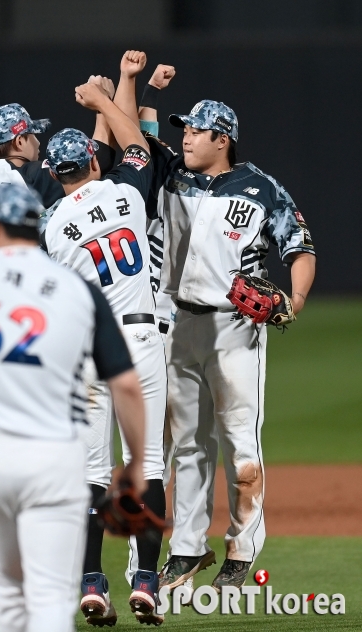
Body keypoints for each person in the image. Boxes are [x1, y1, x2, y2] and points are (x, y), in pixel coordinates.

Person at [0, 183, 147, 632]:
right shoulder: (75, 288)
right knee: (47, 593)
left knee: (11, 595)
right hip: (53, 455)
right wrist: (135, 464)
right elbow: (127, 386)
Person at [138, 95, 316, 593]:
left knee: (241, 450)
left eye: (196, 131)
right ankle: (187, 549)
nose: (186, 138)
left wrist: (294, 300)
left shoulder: (260, 188)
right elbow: (135, 138)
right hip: (180, 326)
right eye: (184, 130)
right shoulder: (171, 173)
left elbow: (300, 247)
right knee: (189, 445)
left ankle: (242, 549)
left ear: (223, 140)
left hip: (236, 328)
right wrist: (141, 87)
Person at [41, 75, 167, 626]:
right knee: (149, 463)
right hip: (140, 339)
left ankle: (93, 583)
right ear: (95, 163)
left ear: (54, 175)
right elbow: (136, 145)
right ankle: (146, 581)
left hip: (89, 352)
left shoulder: (51, 229)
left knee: (92, 471)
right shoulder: (123, 193)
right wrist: (107, 97)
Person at [0, 100, 115, 271]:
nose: (37, 142)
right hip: (31, 286)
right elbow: (96, 162)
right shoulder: (28, 176)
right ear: (19, 141)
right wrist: (101, 105)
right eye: (32, 135)